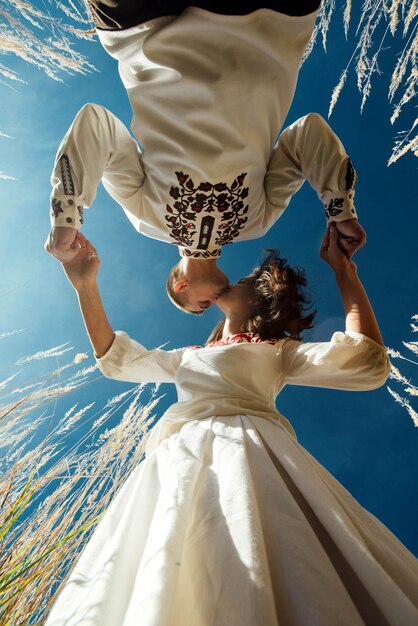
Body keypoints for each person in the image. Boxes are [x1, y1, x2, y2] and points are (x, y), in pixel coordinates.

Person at [45, 224, 418, 626]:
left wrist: (346, 274)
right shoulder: (188, 356)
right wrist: (85, 283)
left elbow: (367, 364)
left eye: (242, 279)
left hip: (251, 447)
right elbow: (117, 361)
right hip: (179, 456)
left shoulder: (277, 350)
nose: (231, 280)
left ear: (260, 297)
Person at [45, 0, 366, 313]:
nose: (218, 304)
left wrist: (66, 214)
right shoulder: (256, 224)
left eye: (204, 304)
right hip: (267, 27)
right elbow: (306, 135)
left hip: (144, 28)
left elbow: (96, 125)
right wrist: (339, 208)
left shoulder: (148, 220)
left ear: (180, 285)